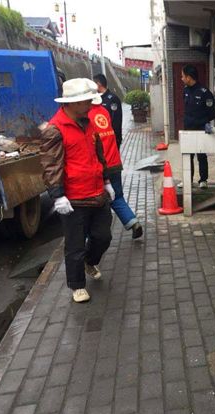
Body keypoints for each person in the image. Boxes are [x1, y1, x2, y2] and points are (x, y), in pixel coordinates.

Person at [40, 78, 115, 303]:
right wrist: (58, 196)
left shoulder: (88, 123)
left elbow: (98, 154)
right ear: (72, 103)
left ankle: (90, 262)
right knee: (75, 245)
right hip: (74, 198)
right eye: (86, 101)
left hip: (97, 193)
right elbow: (51, 165)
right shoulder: (55, 129)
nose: (91, 105)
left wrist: (106, 181)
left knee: (103, 236)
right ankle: (77, 285)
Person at [88, 103, 143, 239]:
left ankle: (91, 236)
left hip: (101, 165)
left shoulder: (85, 116)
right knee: (117, 196)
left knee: (94, 201)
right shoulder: (103, 111)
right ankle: (132, 221)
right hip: (114, 161)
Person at [181, 64, 215, 189]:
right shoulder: (185, 90)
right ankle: (188, 180)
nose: (182, 78)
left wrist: (202, 121)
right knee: (188, 155)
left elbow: (212, 112)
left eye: (183, 76)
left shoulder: (204, 92)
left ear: (189, 77)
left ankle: (203, 180)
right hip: (188, 128)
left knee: (201, 155)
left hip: (201, 128)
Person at [93, 73, 123, 148]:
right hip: (100, 139)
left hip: (112, 138)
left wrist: (116, 138)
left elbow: (116, 120)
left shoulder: (112, 99)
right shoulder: (96, 99)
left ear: (98, 84)